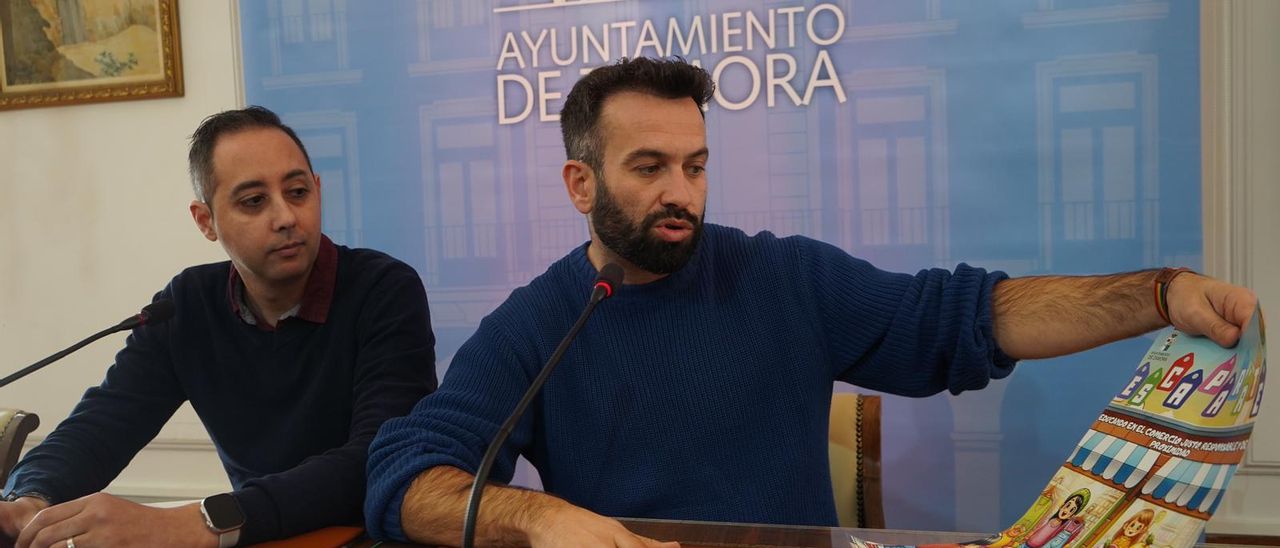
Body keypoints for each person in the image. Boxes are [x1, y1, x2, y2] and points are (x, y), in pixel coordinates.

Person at [364, 57, 1256, 547]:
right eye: (649, 168)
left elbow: (968, 317)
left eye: (696, 165)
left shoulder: (780, 278)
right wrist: (543, 518)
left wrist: (1159, 294)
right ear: (578, 181)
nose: (682, 191)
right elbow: (407, 478)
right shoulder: (541, 323)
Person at [0, 106, 437, 547]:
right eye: (254, 201)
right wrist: (31, 496)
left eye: (298, 192)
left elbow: (376, 459)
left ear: (318, 191)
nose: (286, 216)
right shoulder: (187, 304)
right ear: (205, 220)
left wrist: (202, 521)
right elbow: (102, 424)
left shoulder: (383, 289)